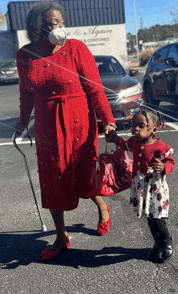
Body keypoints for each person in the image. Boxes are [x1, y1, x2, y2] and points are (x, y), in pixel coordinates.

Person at [13, 2, 117, 261]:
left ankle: (102, 205)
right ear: (37, 27)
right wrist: (22, 121)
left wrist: (109, 121)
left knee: (83, 172)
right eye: (50, 23)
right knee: (52, 177)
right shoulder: (24, 55)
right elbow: (26, 93)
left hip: (79, 120)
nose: (57, 27)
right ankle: (61, 235)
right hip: (47, 124)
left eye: (59, 22)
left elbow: (95, 88)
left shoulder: (76, 48)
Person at [107, 109, 175, 261]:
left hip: (155, 187)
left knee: (156, 216)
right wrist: (114, 138)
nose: (135, 129)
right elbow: (125, 145)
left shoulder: (159, 146)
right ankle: (158, 243)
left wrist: (164, 168)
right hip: (141, 186)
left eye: (141, 125)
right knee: (149, 217)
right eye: (133, 125)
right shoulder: (135, 142)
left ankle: (166, 241)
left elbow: (170, 162)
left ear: (154, 129)